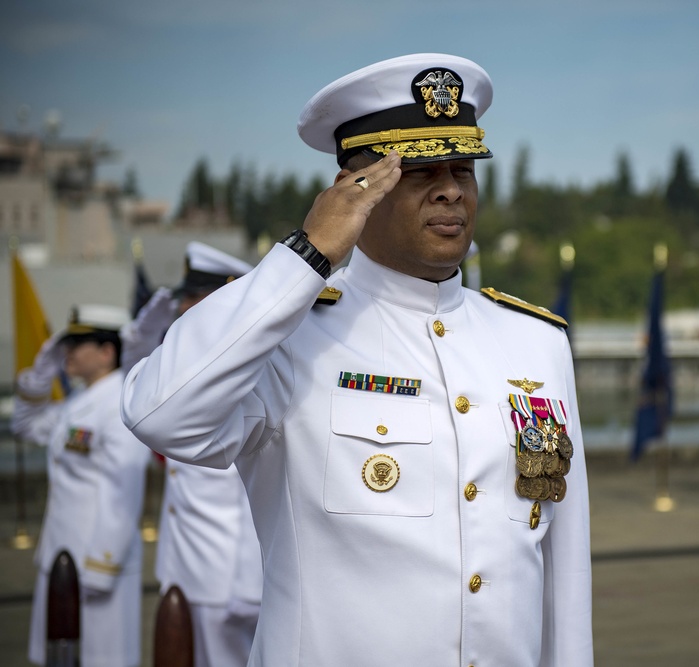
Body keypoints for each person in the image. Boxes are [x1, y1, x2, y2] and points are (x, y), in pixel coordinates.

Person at [121, 53, 593, 666]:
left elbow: (562, 563)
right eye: (421, 169)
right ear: (359, 188)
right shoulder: (291, 337)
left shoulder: (535, 342)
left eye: (464, 168)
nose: (451, 187)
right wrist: (305, 256)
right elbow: (159, 413)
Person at [123, 242, 263, 667]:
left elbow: (251, 497)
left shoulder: (248, 377)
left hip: (228, 588)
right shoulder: (192, 374)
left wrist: (247, 588)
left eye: (190, 298)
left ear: (222, 298)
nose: (182, 309)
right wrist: (145, 331)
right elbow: (136, 381)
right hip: (186, 571)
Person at [14, 304, 150, 667]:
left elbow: (122, 494)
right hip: (61, 559)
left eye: (79, 343)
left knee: (99, 659)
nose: (68, 353)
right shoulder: (80, 401)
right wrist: (38, 379)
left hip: (97, 563)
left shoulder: (121, 405)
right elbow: (25, 426)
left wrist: (99, 568)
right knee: (61, 657)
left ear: (107, 352)